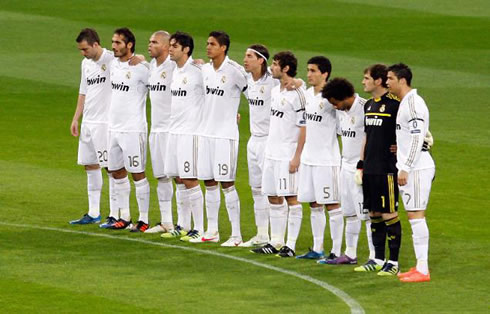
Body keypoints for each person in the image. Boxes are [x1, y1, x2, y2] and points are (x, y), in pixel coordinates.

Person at [195, 31, 248, 246]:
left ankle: (236, 235)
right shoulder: (204, 70)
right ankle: (213, 230)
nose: (208, 47)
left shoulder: (235, 71)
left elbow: (253, 93)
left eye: (212, 44)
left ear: (223, 48)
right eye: (207, 43)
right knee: (209, 182)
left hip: (225, 135)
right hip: (206, 132)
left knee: (227, 183)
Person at [252, 51, 306, 257]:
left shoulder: (298, 94)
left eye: (275, 64)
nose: (271, 67)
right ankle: (275, 241)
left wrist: (297, 157)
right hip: (271, 153)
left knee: (292, 198)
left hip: (287, 154)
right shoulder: (276, 90)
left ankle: (290, 245)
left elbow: (304, 126)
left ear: (285, 69)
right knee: (273, 197)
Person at [386, 63, 435, 283]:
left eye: (390, 78)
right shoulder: (406, 103)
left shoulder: (414, 104)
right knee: (414, 216)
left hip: (416, 168)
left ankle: (423, 270)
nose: (386, 82)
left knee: (416, 217)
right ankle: (419, 266)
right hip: (412, 165)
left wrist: (405, 166)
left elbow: (417, 138)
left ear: (402, 80)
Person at [351, 64, 402, 276]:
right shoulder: (369, 105)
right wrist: (361, 164)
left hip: (387, 168)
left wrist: (402, 147)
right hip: (370, 167)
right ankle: (377, 259)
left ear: (378, 81)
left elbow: (409, 130)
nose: (363, 82)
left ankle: (394, 262)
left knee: (389, 213)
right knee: (374, 214)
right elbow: (367, 136)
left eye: (366, 78)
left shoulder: (396, 105)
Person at [321, 77, 375, 265]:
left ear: (344, 97)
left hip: (362, 168)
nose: (334, 107)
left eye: (335, 103)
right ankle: (350, 254)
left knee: (367, 215)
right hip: (345, 166)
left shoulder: (366, 107)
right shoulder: (341, 112)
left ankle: (374, 256)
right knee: (349, 213)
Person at [295, 56, 343, 262]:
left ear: (325, 74)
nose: (309, 74)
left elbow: (344, 127)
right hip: (309, 159)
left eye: (313, 71)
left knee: (332, 204)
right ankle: (317, 248)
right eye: (308, 70)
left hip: (327, 160)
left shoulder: (332, 98)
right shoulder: (306, 94)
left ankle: (337, 251)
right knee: (314, 204)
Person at [69, 28, 117, 226]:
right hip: (88, 122)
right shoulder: (85, 63)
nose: (83, 53)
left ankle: (116, 214)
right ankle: (94, 212)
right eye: (81, 50)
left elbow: (133, 61)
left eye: (85, 49)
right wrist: (76, 118)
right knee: (90, 165)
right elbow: (83, 91)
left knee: (111, 168)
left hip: (105, 123)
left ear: (96, 44)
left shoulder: (113, 60)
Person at [162, 31, 206, 242]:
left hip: (190, 133)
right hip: (174, 131)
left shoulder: (199, 71)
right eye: (169, 45)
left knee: (190, 179)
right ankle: (183, 224)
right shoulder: (175, 70)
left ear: (186, 49)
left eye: (174, 46)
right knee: (178, 178)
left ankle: (199, 227)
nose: (170, 49)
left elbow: (215, 93)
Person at [107, 27, 150, 232]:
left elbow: (162, 82)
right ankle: (124, 216)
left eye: (117, 43)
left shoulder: (142, 68)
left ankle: (143, 219)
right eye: (113, 42)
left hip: (133, 129)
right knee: (116, 171)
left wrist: (142, 59)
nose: (113, 46)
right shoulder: (113, 64)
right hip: (113, 128)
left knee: (137, 173)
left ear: (129, 45)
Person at [239, 44, 276, 247]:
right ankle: (262, 234)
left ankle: (279, 237)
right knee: (256, 189)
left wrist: (297, 82)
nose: (245, 60)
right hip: (253, 140)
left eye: (249, 56)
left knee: (272, 191)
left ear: (261, 60)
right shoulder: (247, 81)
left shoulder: (273, 81)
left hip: (270, 141)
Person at [144, 30, 178, 234]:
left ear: (166, 46)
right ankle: (167, 221)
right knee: (161, 177)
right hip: (156, 129)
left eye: (154, 42)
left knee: (180, 178)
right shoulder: (150, 66)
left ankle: (187, 224)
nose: (149, 45)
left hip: (172, 130)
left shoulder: (174, 67)